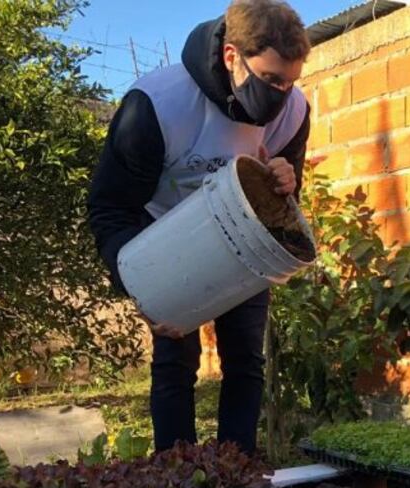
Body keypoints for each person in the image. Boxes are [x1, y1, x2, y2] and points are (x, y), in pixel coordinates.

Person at [88, 0, 312, 454]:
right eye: (270, 79)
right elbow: (109, 206)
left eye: (290, 81)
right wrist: (140, 285)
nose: (281, 93)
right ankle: (176, 474)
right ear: (232, 56)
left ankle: (236, 472)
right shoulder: (158, 105)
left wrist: (284, 182)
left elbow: (285, 199)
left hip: (243, 240)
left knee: (245, 361)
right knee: (176, 362)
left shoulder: (292, 110)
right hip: (167, 236)